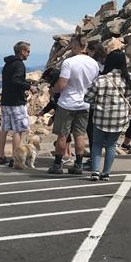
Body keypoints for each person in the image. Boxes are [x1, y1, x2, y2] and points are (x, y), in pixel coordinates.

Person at [47, 36, 100, 174]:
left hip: (67, 103)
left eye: (72, 45)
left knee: (63, 134)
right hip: (85, 103)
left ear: (76, 45)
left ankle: (58, 164)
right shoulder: (94, 63)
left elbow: (62, 84)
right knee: (80, 134)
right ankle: (78, 165)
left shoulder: (69, 62)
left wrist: (53, 90)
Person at [83, 50, 131, 181]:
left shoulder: (101, 79)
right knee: (111, 145)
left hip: (100, 117)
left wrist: (100, 102)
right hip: (119, 118)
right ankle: (106, 173)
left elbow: (88, 98)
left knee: (97, 144)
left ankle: (95, 171)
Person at [0, 41, 36, 166]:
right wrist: (29, 87)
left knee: (4, 129)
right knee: (18, 130)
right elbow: (16, 80)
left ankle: (1, 156)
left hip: (5, 101)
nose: (29, 54)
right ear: (22, 51)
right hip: (16, 102)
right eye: (28, 51)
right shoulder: (19, 65)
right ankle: (15, 158)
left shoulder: (7, 64)